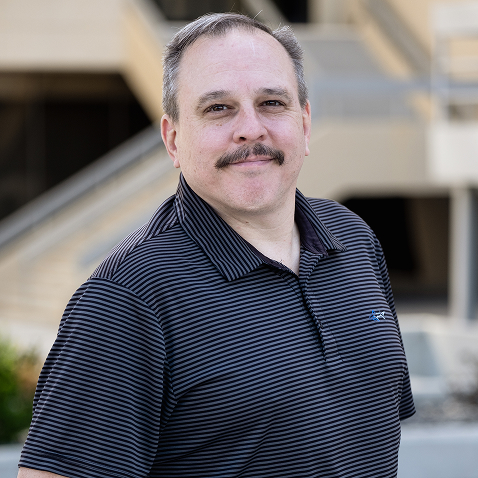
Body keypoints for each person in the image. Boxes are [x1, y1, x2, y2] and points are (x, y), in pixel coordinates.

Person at [18, 12, 414, 478]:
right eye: (218, 108)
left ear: (305, 125)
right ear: (173, 140)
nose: (251, 129)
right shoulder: (128, 297)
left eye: (271, 102)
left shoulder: (353, 239)